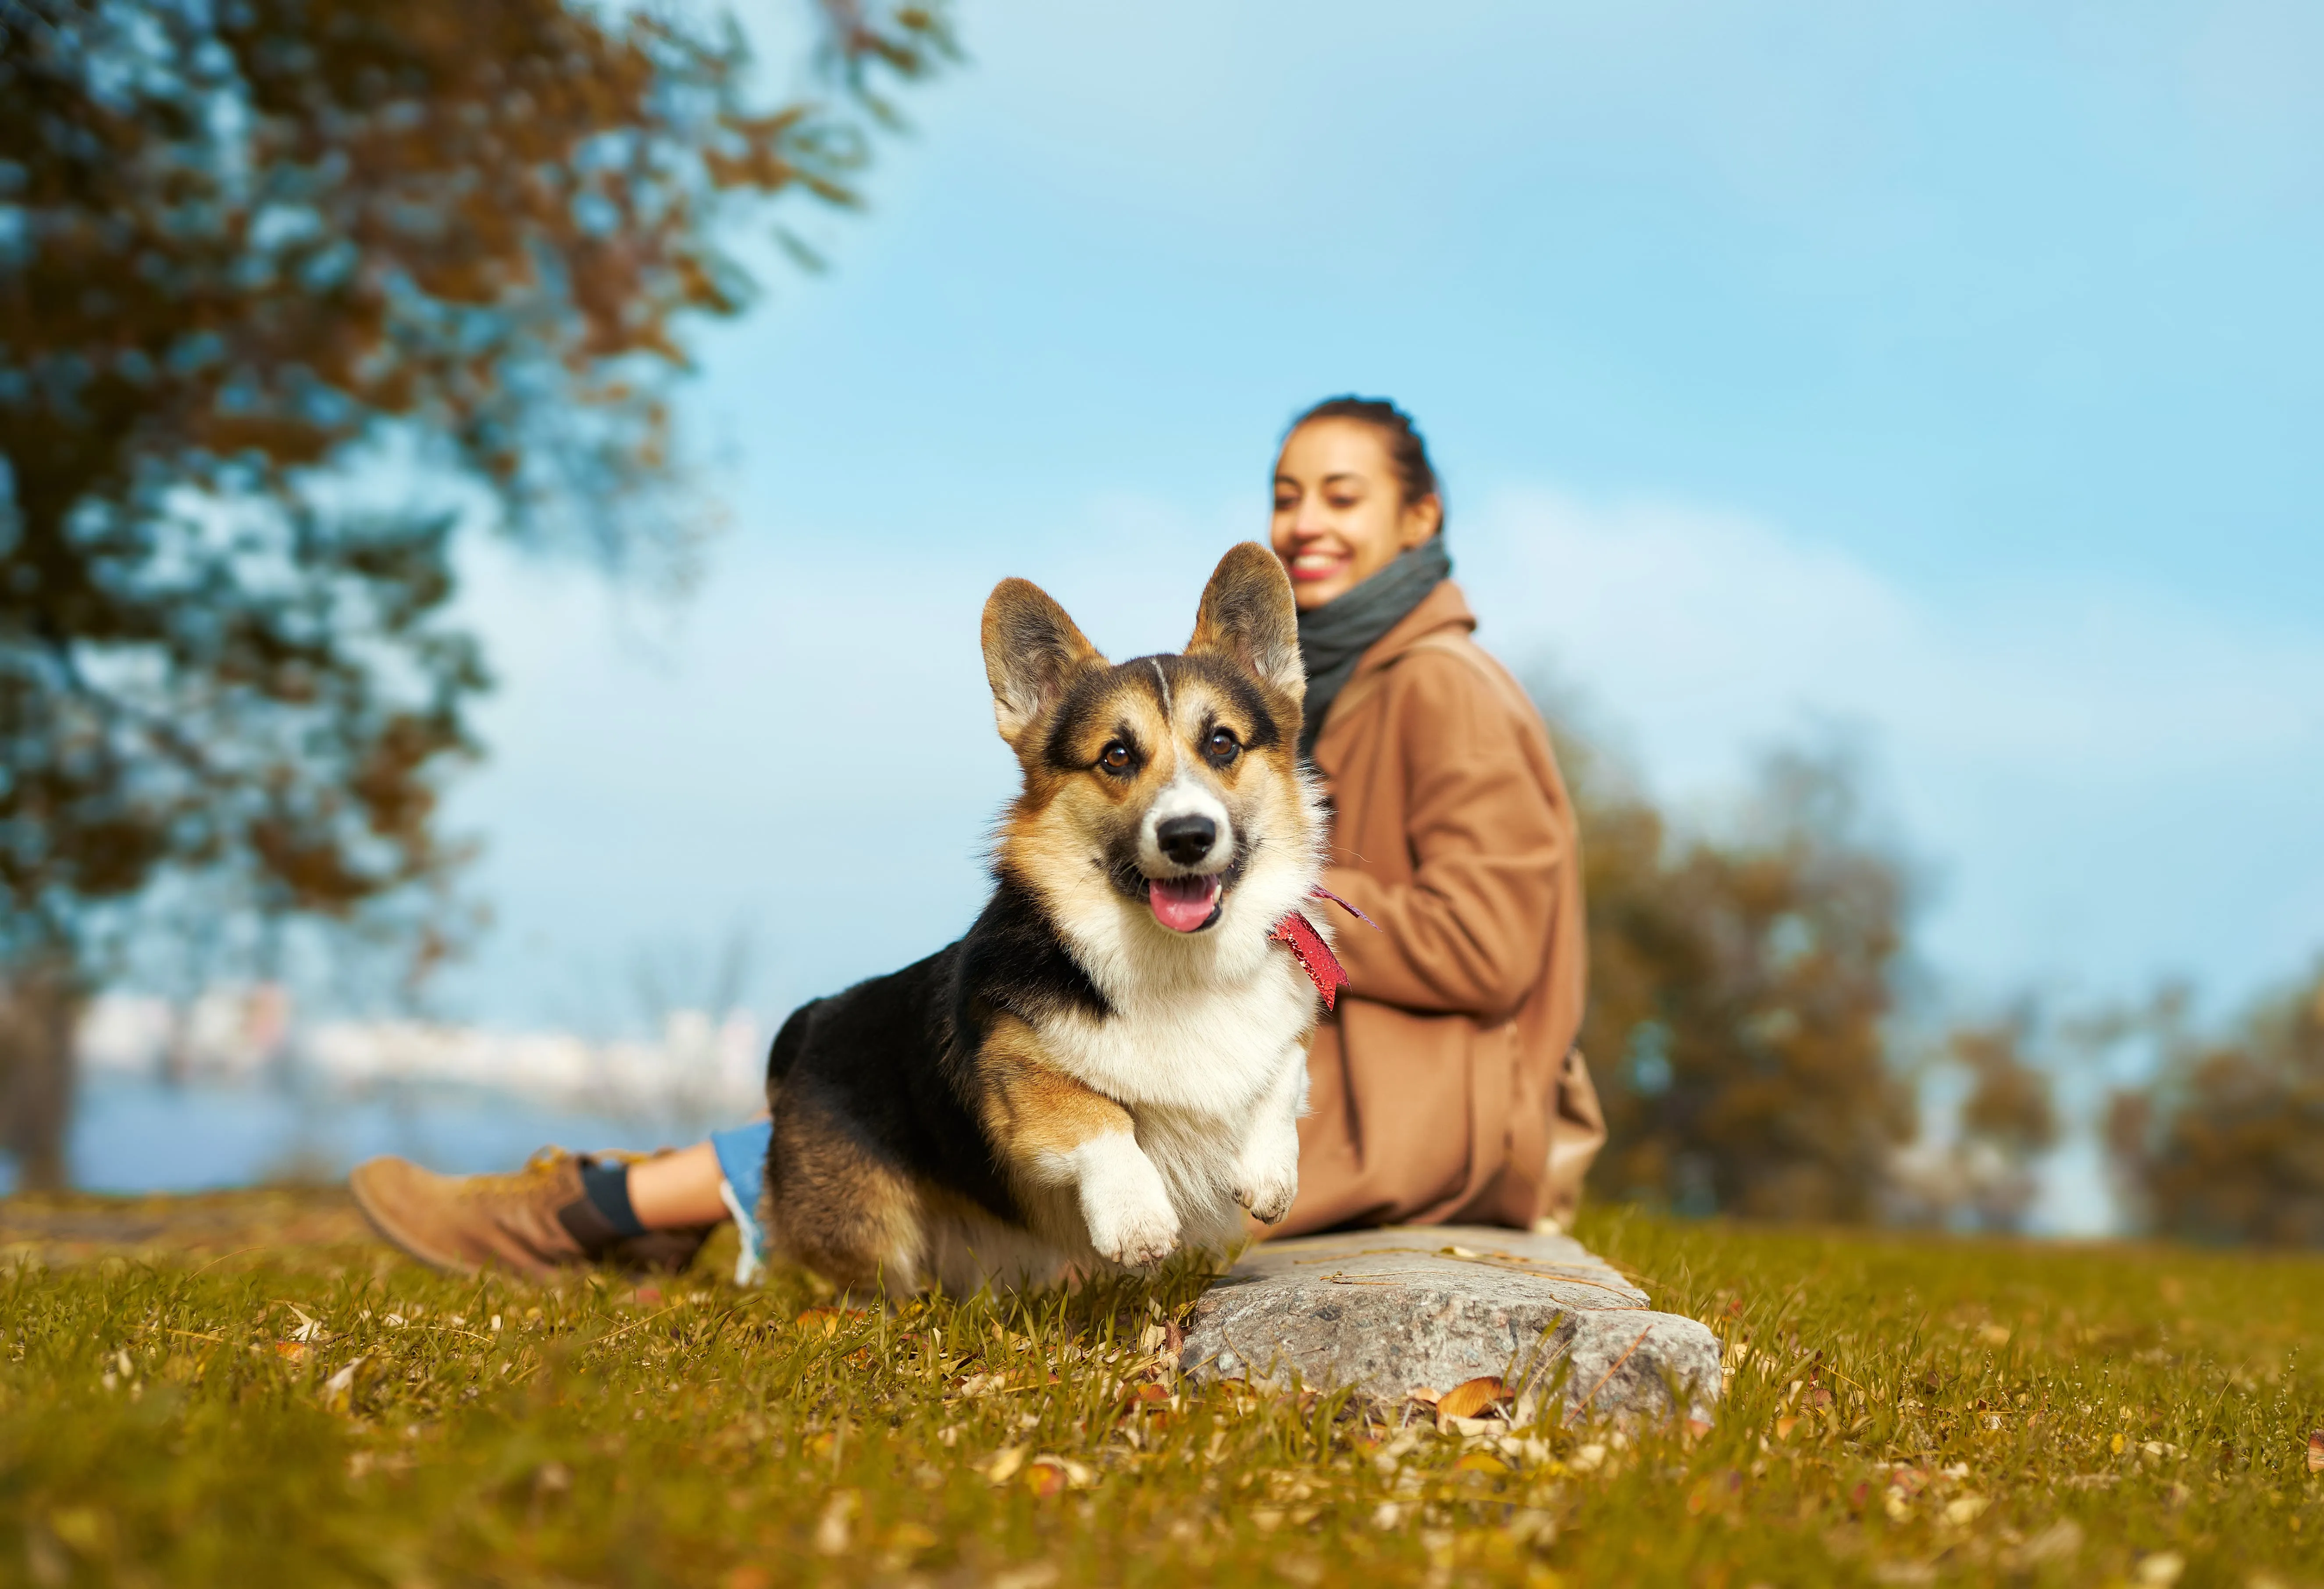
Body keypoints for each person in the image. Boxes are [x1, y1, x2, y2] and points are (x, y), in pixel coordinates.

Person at [348, 396, 1603, 1282]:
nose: (1306, 520)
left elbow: (1491, 945)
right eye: (1287, 495)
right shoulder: (1325, 677)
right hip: (1298, 1044)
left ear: (1420, 514)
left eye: (1344, 495)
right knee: (930, 1052)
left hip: (1412, 1114)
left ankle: (599, 1208)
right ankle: (617, 1209)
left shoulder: (1443, 684)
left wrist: (1282, 907)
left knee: (943, 1089)